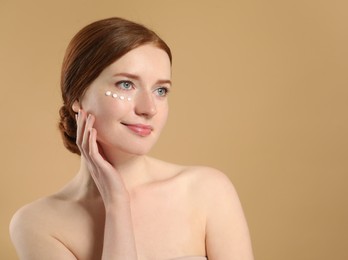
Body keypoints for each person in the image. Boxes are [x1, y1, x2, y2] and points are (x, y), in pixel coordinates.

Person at [9, 17, 254, 260]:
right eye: (126, 85)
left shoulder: (206, 191)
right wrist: (117, 205)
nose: (149, 108)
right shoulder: (38, 224)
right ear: (78, 96)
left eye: (161, 90)